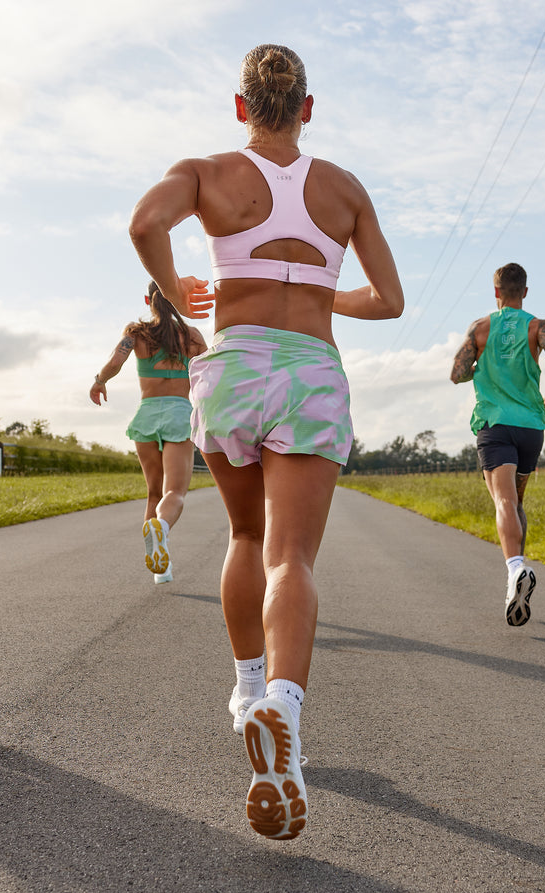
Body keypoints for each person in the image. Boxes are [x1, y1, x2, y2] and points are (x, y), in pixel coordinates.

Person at [129, 43, 404, 840]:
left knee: (245, 535)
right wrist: (321, 292)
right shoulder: (344, 189)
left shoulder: (208, 171)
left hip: (235, 367)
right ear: (308, 109)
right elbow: (388, 300)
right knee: (293, 557)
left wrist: (181, 297)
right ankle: (285, 705)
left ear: (241, 107)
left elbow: (147, 222)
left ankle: (249, 692)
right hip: (312, 372)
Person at [450, 262, 545, 627]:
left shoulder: (480, 328)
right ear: (525, 292)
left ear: (496, 292)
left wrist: (477, 370)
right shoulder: (538, 326)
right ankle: (515, 577)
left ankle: (515, 568)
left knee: (504, 501)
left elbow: (456, 372)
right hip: (531, 426)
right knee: (517, 503)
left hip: (495, 425)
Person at [89, 282, 207, 585]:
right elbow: (211, 374)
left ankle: (161, 569)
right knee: (174, 493)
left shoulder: (136, 334)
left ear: (147, 299)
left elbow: (116, 361)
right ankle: (162, 528)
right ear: (178, 298)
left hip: (146, 415)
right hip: (180, 415)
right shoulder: (191, 336)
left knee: (154, 492)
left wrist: (99, 381)